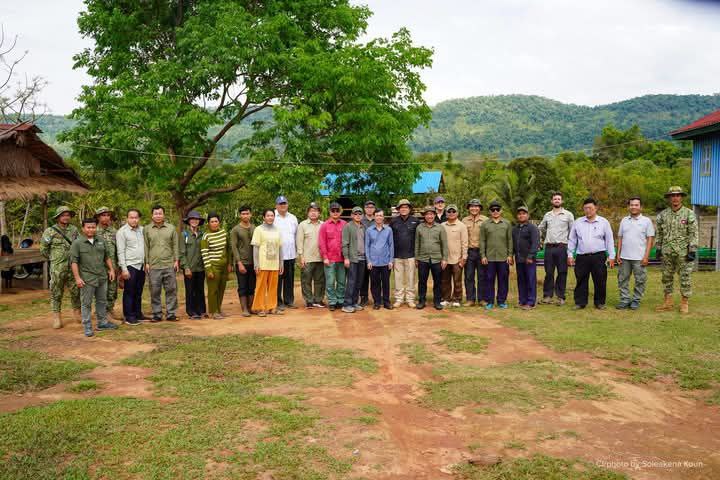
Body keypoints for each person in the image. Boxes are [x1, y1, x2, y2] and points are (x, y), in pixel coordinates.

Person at [70, 217, 118, 337]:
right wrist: (77, 278)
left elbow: (107, 257)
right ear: (83, 228)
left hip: (102, 277)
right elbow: (74, 262)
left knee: (102, 301)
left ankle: (102, 323)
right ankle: (87, 326)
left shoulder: (101, 240)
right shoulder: (77, 243)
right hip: (87, 279)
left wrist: (111, 270)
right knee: (86, 303)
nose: (91, 229)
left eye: (93, 227)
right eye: (88, 227)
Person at [654, 186, 698, 314]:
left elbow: (693, 233)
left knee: (685, 277)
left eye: (678, 195)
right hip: (667, 251)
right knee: (666, 277)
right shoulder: (662, 215)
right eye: (672, 196)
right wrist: (658, 248)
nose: (675, 198)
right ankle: (668, 301)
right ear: (669, 198)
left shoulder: (689, 214)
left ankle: (684, 302)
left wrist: (692, 250)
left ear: (681, 197)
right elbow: (659, 233)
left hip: (683, 252)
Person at [567, 198, 616, 310]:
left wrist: (611, 256)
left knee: (600, 280)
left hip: (598, 256)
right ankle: (580, 302)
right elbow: (572, 239)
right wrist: (570, 254)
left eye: (590, 208)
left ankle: (599, 302)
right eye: (585, 208)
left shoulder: (604, 222)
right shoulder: (578, 222)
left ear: (596, 208)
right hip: (582, 256)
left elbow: (609, 240)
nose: (588, 210)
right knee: (581, 280)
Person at [40, 206, 81, 329]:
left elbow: (79, 245)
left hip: (73, 267)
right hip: (57, 268)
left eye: (68, 215)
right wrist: (54, 259)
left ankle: (77, 313)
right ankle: (57, 317)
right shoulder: (50, 231)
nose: (66, 217)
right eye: (63, 215)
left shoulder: (74, 230)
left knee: (76, 291)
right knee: (56, 292)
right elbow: (43, 249)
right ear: (58, 217)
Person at [616, 197, 655, 310]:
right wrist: (618, 254)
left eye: (636, 205)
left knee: (640, 280)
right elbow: (620, 238)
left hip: (639, 257)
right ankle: (624, 299)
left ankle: (636, 300)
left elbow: (650, 239)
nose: (634, 207)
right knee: (622, 279)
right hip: (624, 257)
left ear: (641, 207)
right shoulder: (624, 220)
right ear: (629, 206)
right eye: (632, 205)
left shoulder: (646, 221)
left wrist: (646, 256)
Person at [538, 192, 575, 306]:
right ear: (552, 201)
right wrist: (541, 240)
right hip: (549, 247)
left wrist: (571, 249)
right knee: (549, 272)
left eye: (559, 199)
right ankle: (547, 296)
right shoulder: (547, 215)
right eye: (555, 199)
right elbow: (540, 228)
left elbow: (573, 232)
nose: (557, 200)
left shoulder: (568, 215)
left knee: (562, 272)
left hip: (562, 247)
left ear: (562, 201)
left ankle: (560, 297)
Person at [144, 205, 179, 322]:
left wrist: (176, 260)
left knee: (171, 289)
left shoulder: (171, 228)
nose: (158, 216)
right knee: (155, 291)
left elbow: (175, 245)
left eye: (160, 213)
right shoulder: (147, 229)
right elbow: (146, 246)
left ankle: (171, 313)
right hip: (153, 265)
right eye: (155, 213)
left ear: (163, 215)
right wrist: (146, 262)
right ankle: (157, 314)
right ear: (152, 215)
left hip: (169, 264)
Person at [251, 209, 284, 316]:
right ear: (263, 217)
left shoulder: (278, 230)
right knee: (260, 286)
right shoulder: (258, 229)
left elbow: (280, 248)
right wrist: (256, 264)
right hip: (262, 263)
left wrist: (281, 263)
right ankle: (259, 308)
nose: (270, 217)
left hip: (274, 264)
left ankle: (272, 307)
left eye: (272, 215)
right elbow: (256, 247)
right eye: (268, 216)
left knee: (273, 287)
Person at [480, 201, 513, 309]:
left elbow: (510, 240)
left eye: (497, 209)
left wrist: (510, 255)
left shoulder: (507, 223)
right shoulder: (485, 224)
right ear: (490, 211)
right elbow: (482, 241)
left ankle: (501, 301)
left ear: (501, 211)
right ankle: (490, 301)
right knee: (489, 280)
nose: (495, 211)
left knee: (503, 280)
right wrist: (483, 255)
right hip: (489, 258)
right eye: (493, 210)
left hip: (503, 257)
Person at [415, 206, 448, 310]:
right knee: (422, 281)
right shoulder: (419, 227)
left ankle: (437, 301)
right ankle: (422, 301)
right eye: (427, 214)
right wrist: (416, 258)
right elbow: (417, 244)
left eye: (431, 214)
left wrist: (444, 258)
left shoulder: (440, 227)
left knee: (437, 281)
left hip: (436, 259)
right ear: (424, 216)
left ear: (434, 215)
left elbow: (444, 244)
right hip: (423, 259)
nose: (429, 216)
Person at [116, 208, 146, 325]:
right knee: (129, 291)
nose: (134, 220)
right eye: (131, 217)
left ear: (139, 218)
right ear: (127, 218)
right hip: (130, 265)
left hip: (141, 265)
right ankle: (129, 316)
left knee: (138, 291)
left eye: (136, 217)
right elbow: (120, 251)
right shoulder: (122, 232)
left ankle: (138, 313)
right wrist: (124, 269)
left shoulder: (142, 230)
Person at [201, 212, 232, 319]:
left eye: (216, 221)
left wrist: (229, 264)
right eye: (212, 222)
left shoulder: (223, 233)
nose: (214, 223)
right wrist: (209, 270)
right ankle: (213, 311)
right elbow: (204, 253)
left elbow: (228, 249)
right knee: (213, 290)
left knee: (221, 289)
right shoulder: (206, 236)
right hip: (213, 266)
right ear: (208, 223)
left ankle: (218, 309)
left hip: (224, 266)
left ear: (219, 222)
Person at [389, 198, 419, 308]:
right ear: (398, 209)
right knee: (398, 278)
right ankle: (399, 299)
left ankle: (410, 299)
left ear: (409, 209)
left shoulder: (415, 221)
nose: (404, 209)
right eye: (401, 207)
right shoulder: (393, 221)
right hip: (397, 255)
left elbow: (418, 238)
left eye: (406, 207)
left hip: (411, 255)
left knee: (411, 278)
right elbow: (390, 239)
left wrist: (417, 256)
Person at [296, 202, 325, 309]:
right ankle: (309, 301)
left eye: (316, 211)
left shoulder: (323, 224)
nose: (313, 213)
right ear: (308, 213)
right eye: (311, 211)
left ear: (319, 213)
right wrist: (301, 256)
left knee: (320, 280)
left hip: (321, 258)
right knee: (306, 280)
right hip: (307, 258)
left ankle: (318, 299)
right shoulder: (302, 225)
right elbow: (299, 241)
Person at [318, 202, 347, 311]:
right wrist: (325, 257)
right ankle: (332, 301)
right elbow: (322, 242)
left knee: (341, 281)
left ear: (340, 212)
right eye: (333, 210)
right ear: (330, 212)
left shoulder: (345, 224)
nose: (335, 212)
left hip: (342, 258)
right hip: (329, 259)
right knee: (330, 282)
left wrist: (347, 257)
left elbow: (347, 241)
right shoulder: (324, 225)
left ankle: (340, 300)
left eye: (337, 210)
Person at [179, 210, 206, 319]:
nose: (194, 221)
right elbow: (182, 253)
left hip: (200, 267)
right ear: (189, 221)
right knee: (190, 290)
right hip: (189, 268)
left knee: (200, 289)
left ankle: (201, 310)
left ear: (199, 221)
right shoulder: (184, 234)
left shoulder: (202, 235)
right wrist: (186, 267)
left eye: (196, 219)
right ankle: (191, 312)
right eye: (192, 219)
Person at [366, 209, 394, 310]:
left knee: (386, 283)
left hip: (385, 261)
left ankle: (386, 302)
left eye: (381, 215)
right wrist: (368, 260)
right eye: (377, 215)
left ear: (383, 217)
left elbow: (391, 245)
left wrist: (391, 260)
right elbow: (367, 246)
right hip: (373, 262)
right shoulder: (369, 230)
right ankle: (377, 302)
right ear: (374, 217)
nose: (379, 217)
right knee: (375, 283)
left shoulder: (388, 230)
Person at [513, 206, 540, 310]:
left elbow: (535, 243)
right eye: (519, 214)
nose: (521, 215)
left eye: (523, 213)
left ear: (528, 215)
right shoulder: (515, 229)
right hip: (519, 259)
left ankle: (531, 302)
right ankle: (522, 301)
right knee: (521, 280)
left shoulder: (532, 228)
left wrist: (530, 256)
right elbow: (514, 243)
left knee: (530, 280)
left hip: (529, 259)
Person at [273, 195, 298, 310]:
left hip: (291, 254)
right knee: (277, 280)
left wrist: (297, 253)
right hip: (277, 255)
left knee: (289, 279)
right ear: (276, 205)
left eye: (284, 203)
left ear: (287, 205)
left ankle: (289, 300)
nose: (283, 206)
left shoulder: (293, 218)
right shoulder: (272, 217)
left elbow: (296, 235)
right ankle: (278, 301)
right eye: (280, 204)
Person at [341, 206, 367, 313]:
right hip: (352, 259)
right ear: (352, 215)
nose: (358, 216)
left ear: (363, 215)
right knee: (351, 282)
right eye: (355, 214)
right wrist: (346, 258)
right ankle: (347, 304)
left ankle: (354, 302)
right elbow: (344, 244)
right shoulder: (348, 226)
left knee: (359, 282)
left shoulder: (363, 227)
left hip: (362, 258)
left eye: (360, 214)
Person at [462, 199, 488, 306]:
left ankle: (482, 299)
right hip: (469, 251)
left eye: (476, 206)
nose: (474, 208)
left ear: (480, 208)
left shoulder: (486, 220)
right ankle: (470, 299)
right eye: (472, 206)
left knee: (482, 276)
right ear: (469, 208)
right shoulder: (464, 220)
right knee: (469, 276)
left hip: (481, 252)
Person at [231, 206, 256, 317]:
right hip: (242, 262)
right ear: (240, 215)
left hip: (253, 262)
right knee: (243, 286)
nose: (245, 216)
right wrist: (239, 262)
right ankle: (244, 309)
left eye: (247, 213)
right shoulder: (235, 230)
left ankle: (251, 307)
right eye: (243, 214)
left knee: (252, 286)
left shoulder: (255, 228)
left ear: (251, 214)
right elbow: (234, 247)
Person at [95, 207, 120, 319]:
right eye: (103, 215)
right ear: (98, 217)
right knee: (100, 291)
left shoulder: (115, 232)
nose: (106, 217)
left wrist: (118, 267)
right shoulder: (93, 231)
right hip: (98, 267)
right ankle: (101, 312)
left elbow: (118, 249)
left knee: (112, 290)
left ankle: (110, 310)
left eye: (108, 215)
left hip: (113, 266)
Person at [441, 204, 468, 307]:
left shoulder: (462, 226)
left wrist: (464, 257)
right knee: (445, 280)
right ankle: (446, 298)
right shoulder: (442, 226)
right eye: (449, 211)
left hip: (457, 259)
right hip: (445, 258)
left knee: (457, 280)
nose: (451, 213)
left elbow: (464, 243)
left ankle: (457, 299)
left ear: (457, 213)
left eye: (453, 211)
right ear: (446, 213)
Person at [359, 200, 377, 306]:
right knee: (363, 277)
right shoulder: (361, 220)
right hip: (363, 253)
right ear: (364, 209)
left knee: (374, 278)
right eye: (367, 207)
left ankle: (376, 298)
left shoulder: (377, 220)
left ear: (374, 209)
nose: (370, 209)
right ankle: (364, 297)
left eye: (372, 207)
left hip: (374, 254)